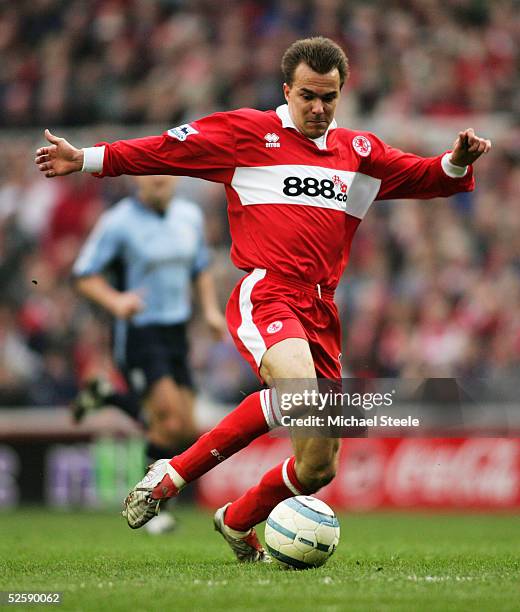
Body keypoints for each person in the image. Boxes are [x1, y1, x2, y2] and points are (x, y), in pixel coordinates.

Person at [35, 36, 491, 562]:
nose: (318, 108)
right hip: (268, 291)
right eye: (307, 97)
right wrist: (86, 159)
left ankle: (237, 519)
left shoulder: (361, 153)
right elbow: (166, 149)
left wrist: (456, 160)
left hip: (323, 309)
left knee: (319, 465)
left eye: (329, 98)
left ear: (341, 94)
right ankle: (172, 473)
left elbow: (428, 177)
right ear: (287, 91)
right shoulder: (248, 132)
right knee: (295, 391)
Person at [71, 174, 226, 533]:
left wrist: (210, 311)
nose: (159, 180)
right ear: (138, 180)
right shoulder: (118, 221)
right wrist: (115, 300)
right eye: (151, 174)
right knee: (168, 423)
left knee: (186, 430)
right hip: (139, 331)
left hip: (176, 332)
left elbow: (200, 268)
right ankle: (151, 509)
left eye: (164, 174)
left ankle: (108, 396)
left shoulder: (188, 215)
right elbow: (84, 274)